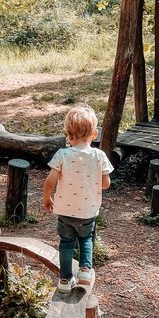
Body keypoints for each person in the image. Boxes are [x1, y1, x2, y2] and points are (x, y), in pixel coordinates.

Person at [43, 105, 113, 293]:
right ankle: (84, 271)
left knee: (66, 243)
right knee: (85, 239)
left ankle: (65, 280)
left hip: (64, 210)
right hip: (87, 211)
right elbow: (106, 184)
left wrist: (47, 197)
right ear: (94, 134)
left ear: (68, 135)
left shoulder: (62, 155)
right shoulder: (99, 156)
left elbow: (50, 180)